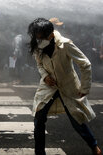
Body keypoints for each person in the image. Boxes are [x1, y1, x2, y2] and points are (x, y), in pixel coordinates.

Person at [28, 18, 101, 155]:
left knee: (76, 119)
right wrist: (45, 76)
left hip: (68, 86)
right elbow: (39, 65)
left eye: (40, 37)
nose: (38, 40)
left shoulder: (65, 45)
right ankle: (39, 153)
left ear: (50, 35)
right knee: (39, 119)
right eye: (36, 36)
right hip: (48, 86)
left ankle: (94, 146)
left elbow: (85, 64)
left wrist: (84, 88)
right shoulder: (38, 46)